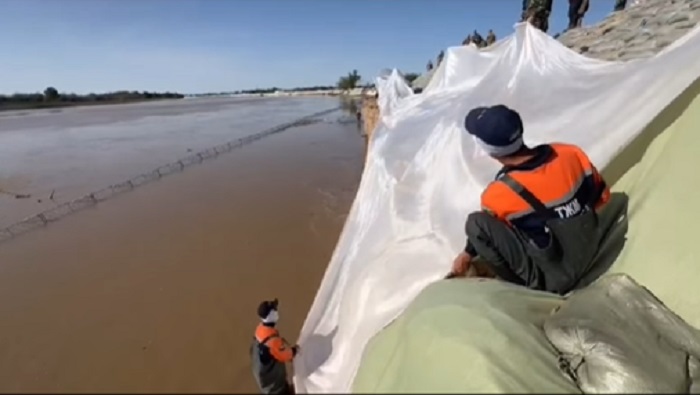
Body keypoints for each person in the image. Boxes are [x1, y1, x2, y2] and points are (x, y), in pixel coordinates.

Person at [450, 105, 611, 295]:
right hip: (591, 247)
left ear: (488, 149)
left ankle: (526, 290)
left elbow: (500, 239)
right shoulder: (568, 153)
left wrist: (468, 252)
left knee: (476, 224)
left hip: (555, 279)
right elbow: (601, 197)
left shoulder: (498, 194)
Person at [250, 299, 300, 394]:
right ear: (272, 315)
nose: (277, 311)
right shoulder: (273, 341)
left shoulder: (260, 330)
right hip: (275, 388)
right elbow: (286, 355)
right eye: (275, 310)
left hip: (264, 382)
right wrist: (295, 351)